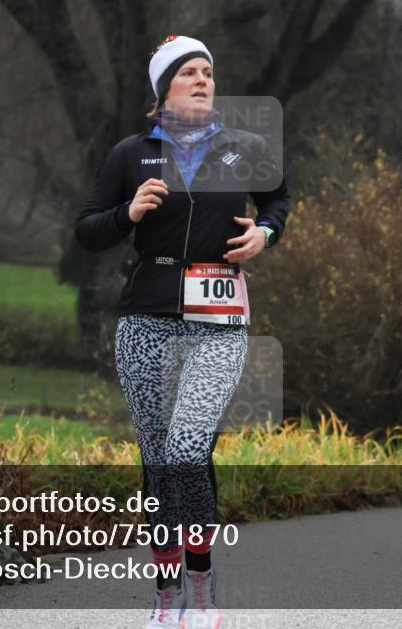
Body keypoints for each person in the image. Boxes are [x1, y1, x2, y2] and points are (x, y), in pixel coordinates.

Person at [75, 34, 289, 628]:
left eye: (208, 72)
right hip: (146, 316)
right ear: (164, 87)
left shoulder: (246, 148)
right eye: (189, 72)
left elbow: (279, 202)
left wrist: (264, 234)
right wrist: (128, 213)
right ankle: (167, 597)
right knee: (157, 459)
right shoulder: (129, 153)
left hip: (218, 321)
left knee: (187, 448)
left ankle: (202, 591)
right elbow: (87, 228)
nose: (203, 80)